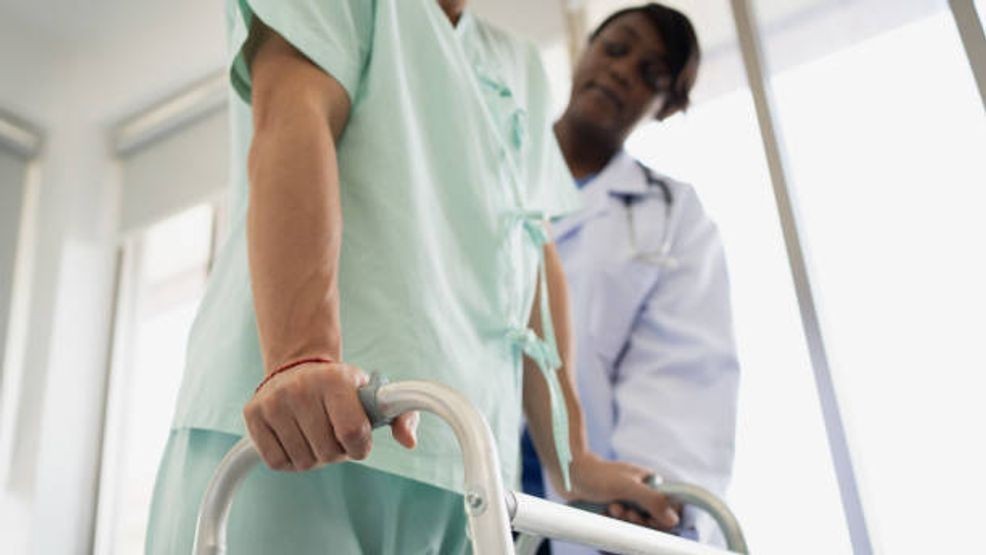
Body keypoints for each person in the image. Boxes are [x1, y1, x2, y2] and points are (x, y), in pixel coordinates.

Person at [145, 0, 680, 553]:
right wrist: (301, 354)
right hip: (298, 434)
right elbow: (294, 119)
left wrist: (573, 461)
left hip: (463, 469)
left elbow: (533, 255)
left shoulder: (518, 63)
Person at [521, 3, 741, 550]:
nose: (622, 70)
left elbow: (683, 373)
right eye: (616, 49)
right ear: (586, 51)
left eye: (652, 73)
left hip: (582, 508)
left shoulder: (671, 218)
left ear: (666, 107)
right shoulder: (497, 153)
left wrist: (652, 493)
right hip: (452, 451)